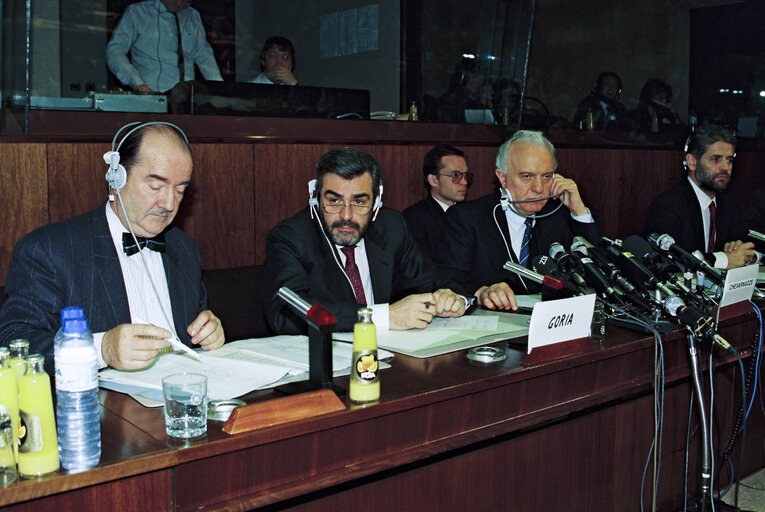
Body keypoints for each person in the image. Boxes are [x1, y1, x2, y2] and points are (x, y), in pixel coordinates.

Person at [0, 122, 225, 373]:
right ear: (116, 178)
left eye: (180, 190)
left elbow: (193, 331)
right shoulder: (49, 250)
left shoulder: (184, 249)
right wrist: (101, 349)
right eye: (155, 186)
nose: (170, 204)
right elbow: (15, 344)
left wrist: (209, 334)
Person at [263, 147, 466, 334]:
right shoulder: (291, 237)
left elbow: (432, 281)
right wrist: (382, 317)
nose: (346, 215)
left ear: (376, 204)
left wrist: (451, 298)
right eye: (334, 201)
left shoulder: (392, 227)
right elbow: (285, 312)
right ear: (315, 200)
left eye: (359, 202)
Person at [433, 130, 601, 311]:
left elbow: (596, 274)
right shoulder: (467, 218)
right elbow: (445, 281)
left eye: (546, 177)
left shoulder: (558, 217)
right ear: (502, 178)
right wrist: (481, 292)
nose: (538, 188)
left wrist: (579, 210)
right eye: (527, 177)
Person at [643, 124, 755, 269]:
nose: (725, 167)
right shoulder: (668, 205)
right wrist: (724, 260)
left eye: (729, 160)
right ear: (692, 162)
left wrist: (746, 254)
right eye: (715, 159)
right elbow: (666, 262)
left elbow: (747, 244)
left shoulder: (728, 206)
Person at [106, 0, 223, 94]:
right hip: (152, 94)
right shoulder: (137, 12)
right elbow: (115, 51)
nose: (179, 3)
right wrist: (138, 84)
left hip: (186, 98)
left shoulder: (192, 16)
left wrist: (218, 90)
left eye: (185, 1)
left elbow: (205, 57)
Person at [403, 145, 471, 259]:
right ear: (433, 180)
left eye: (466, 175)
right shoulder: (414, 217)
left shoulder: (472, 213)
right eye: (456, 176)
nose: (464, 182)